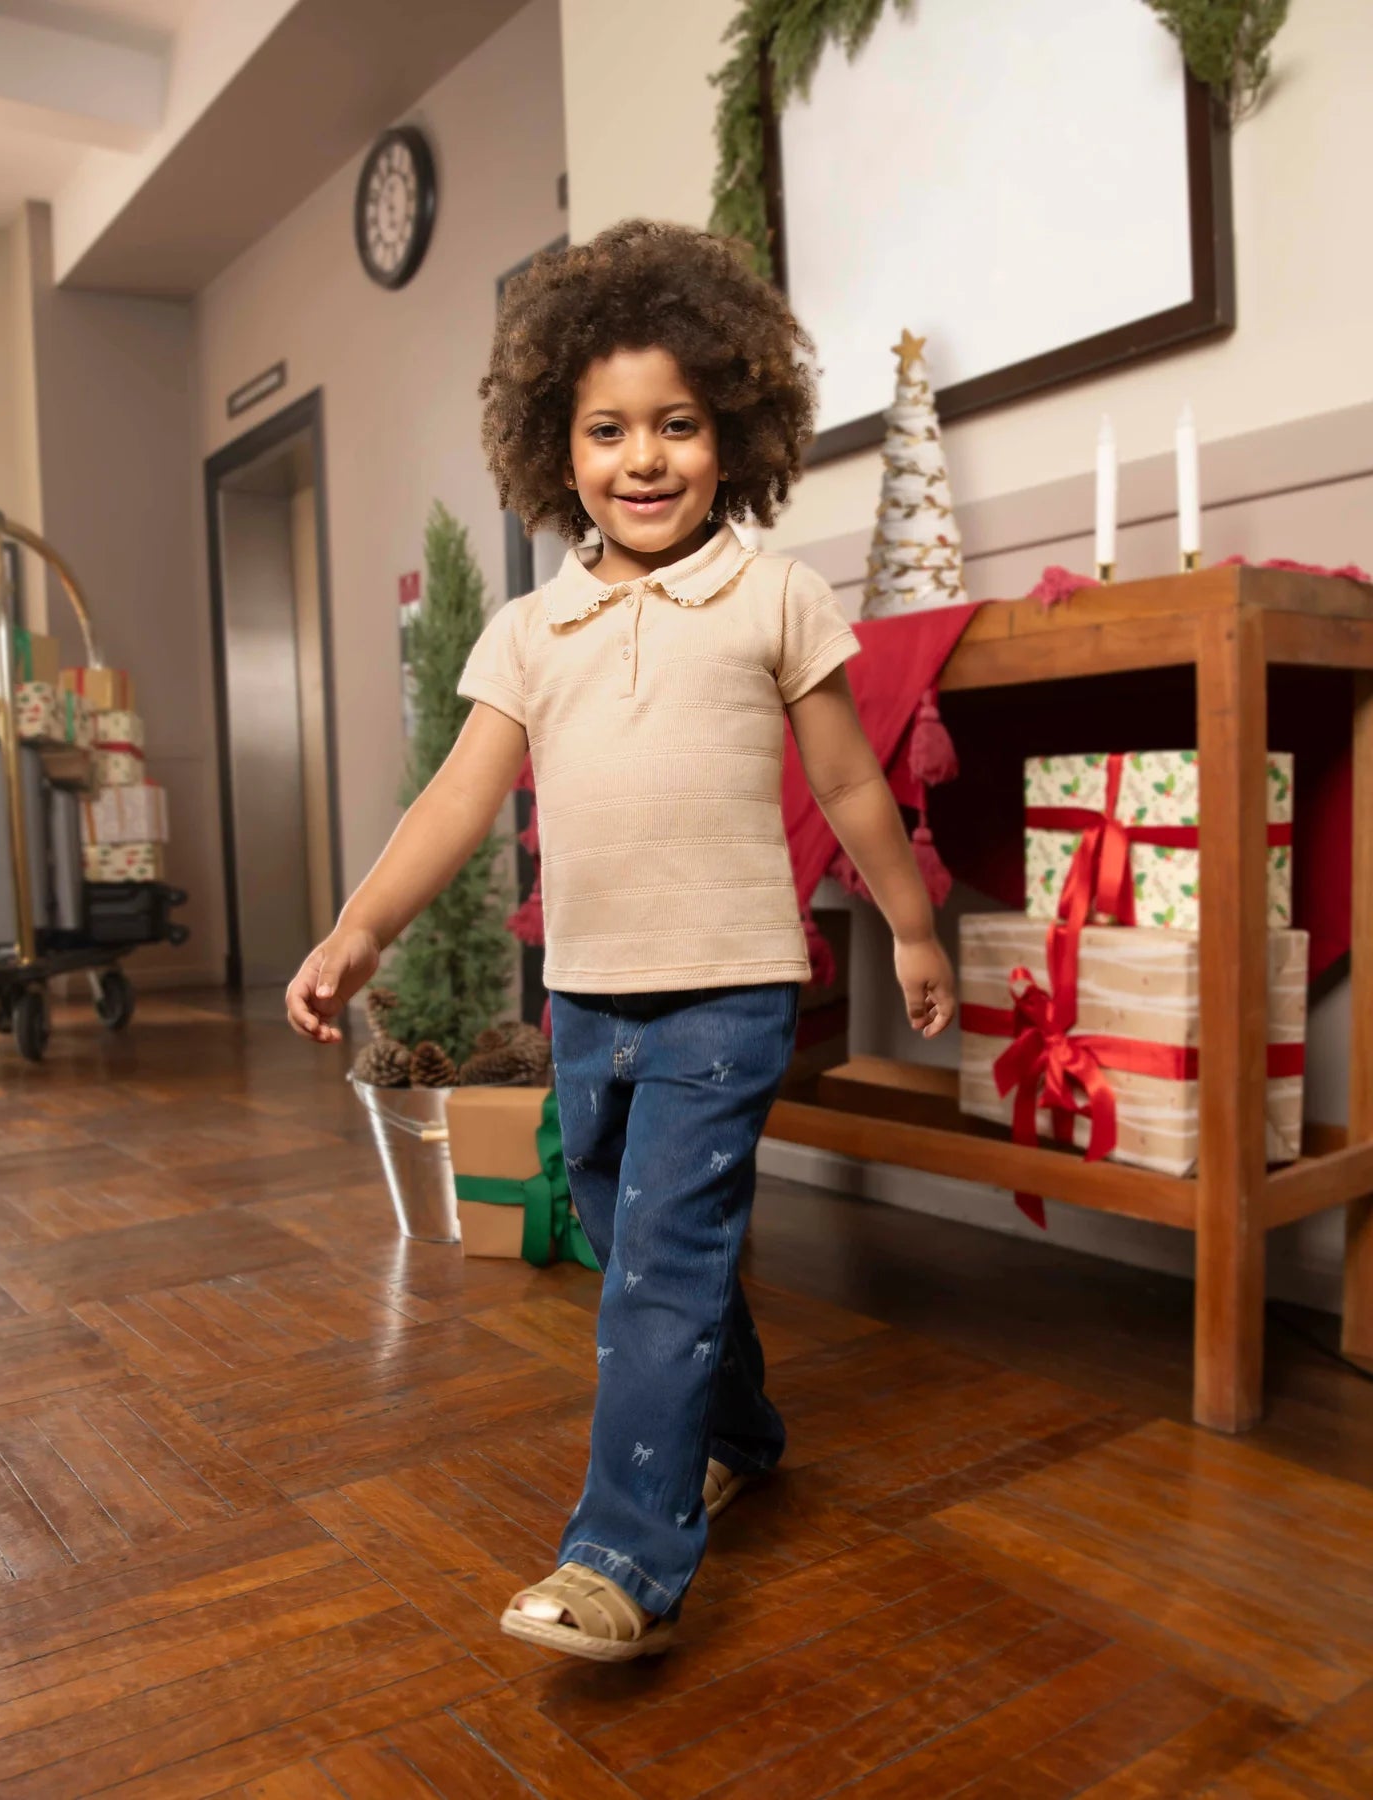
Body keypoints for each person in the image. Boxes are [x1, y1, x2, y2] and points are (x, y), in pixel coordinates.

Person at [286, 218, 956, 1663]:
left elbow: (850, 782)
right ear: (556, 446)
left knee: (660, 1258)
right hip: (587, 999)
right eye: (607, 430)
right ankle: (744, 1430)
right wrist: (356, 927)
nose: (643, 459)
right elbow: (459, 798)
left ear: (737, 436)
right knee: (617, 1226)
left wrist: (910, 927)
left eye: (678, 425)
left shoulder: (775, 599)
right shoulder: (534, 631)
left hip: (729, 994)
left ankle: (625, 1557)